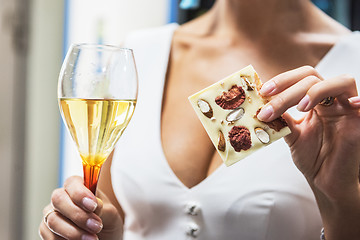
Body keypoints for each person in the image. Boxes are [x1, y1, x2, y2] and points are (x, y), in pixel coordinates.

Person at [39, 0, 360, 239]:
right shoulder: (138, 52)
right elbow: (108, 216)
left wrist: (340, 202)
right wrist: (88, 227)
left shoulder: (352, 73)